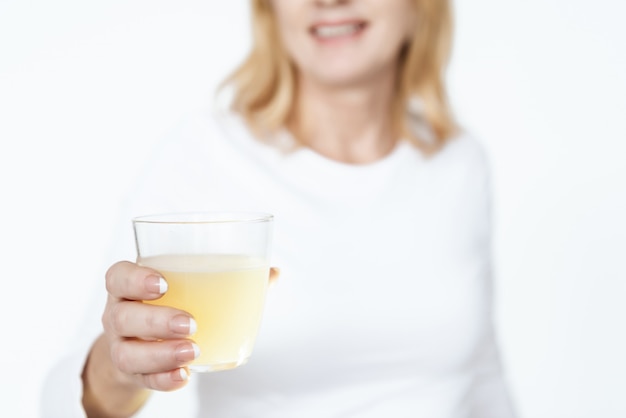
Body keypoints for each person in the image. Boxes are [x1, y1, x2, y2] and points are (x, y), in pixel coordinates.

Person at [44, 0, 517, 416]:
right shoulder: (203, 152)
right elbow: (61, 406)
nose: (329, 0)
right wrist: (120, 369)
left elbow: (481, 377)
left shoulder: (458, 160)